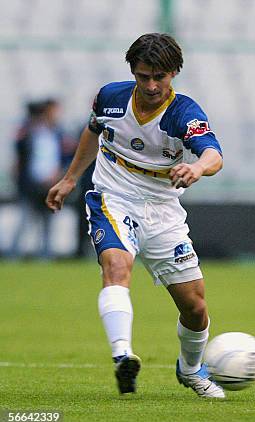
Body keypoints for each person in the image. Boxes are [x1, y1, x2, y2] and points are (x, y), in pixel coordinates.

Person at [46, 33, 225, 398]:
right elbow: (93, 132)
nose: (151, 85)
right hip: (114, 197)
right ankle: (123, 355)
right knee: (116, 267)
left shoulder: (184, 114)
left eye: (159, 76)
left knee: (195, 307)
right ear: (133, 71)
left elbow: (213, 155)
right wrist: (69, 179)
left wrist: (196, 169)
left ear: (174, 72)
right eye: (143, 76)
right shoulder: (110, 96)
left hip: (163, 211)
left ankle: (190, 370)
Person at [11, 99, 67, 259]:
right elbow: (22, 157)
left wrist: (58, 174)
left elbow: (64, 156)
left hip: (50, 184)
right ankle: (13, 255)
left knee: (48, 222)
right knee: (25, 220)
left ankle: (46, 255)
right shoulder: (29, 132)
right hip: (31, 184)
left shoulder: (57, 133)